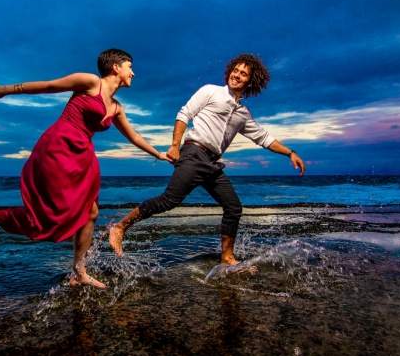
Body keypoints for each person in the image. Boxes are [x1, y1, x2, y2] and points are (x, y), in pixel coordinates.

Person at [0, 49, 169, 288]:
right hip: (59, 146)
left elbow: (134, 137)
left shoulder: (117, 107)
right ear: (116, 67)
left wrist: (160, 154)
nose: (133, 72)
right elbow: (49, 86)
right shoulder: (90, 82)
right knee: (49, 217)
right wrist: (7, 89)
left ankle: (79, 272)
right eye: (130, 66)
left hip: (84, 157)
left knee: (90, 213)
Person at [109, 53, 306, 268]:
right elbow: (184, 114)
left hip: (211, 163)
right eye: (235, 70)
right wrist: (175, 145)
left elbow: (263, 137)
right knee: (169, 200)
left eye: (243, 74)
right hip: (194, 153)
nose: (237, 75)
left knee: (233, 207)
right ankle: (120, 227)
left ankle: (227, 258)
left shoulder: (243, 113)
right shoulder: (211, 91)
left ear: (251, 81)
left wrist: (290, 153)